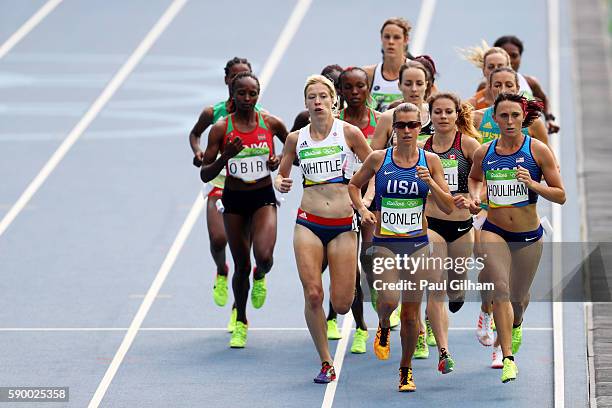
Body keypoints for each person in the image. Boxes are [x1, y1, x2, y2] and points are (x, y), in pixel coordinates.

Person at [349, 102, 454, 392]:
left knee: (410, 314)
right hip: (385, 243)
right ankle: (383, 322)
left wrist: (431, 182)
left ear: (421, 127)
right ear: (393, 128)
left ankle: (405, 370)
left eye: (412, 125)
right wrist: (362, 209)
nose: (407, 131)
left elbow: (446, 207)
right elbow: (354, 186)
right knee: (389, 301)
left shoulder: (430, 161)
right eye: (401, 125)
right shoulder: (378, 159)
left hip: (418, 245)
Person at [275, 75, 372, 383]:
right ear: (305, 103)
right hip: (309, 222)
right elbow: (281, 174)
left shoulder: (349, 133)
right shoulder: (296, 138)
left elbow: (376, 167)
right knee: (314, 294)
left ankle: (347, 314)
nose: (317, 101)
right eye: (311, 97)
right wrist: (281, 182)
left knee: (341, 303)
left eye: (322, 96)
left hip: (344, 224)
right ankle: (325, 361)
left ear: (333, 101)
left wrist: (365, 203)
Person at [467, 93, 565, 382]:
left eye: (515, 116)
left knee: (518, 299)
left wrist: (532, 183)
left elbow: (560, 195)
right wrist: (475, 198)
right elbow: (474, 178)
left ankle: (516, 323)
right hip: (494, 230)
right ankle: (506, 355)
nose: (509, 121)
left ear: (524, 118)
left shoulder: (538, 151)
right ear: (494, 119)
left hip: (528, 235)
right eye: (504, 116)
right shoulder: (485, 152)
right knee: (500, 289)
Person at [200, 72, 288, 348]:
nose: (247, 99)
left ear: (259, 95)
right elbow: (205, 173)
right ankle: (241, 320)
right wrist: (225, 156)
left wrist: (277, 161)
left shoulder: (271, 123)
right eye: (242, 93)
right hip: (234, 201)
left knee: (264, 259)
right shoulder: (221, 128)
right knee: (241, 265)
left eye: (252, 93)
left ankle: (260, 276)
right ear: (233, 95)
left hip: (263, 198)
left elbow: (293, 151)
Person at [188, 57, 259, 331]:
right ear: (227, 81)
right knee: (218, 240)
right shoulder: (213, 113)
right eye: (234, 78)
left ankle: (237, 309)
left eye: (246, 77)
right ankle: (220, 270)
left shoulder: (260, 115)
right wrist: (198, 152)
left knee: (245, 254)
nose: (239, 84)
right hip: (219, 184)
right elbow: (194, 135)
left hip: (249, 188)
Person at [421, 93, 481, 371]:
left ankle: (454, 297)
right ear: (430, 116)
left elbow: (481, 181)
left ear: (457, 115)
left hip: (461, 225)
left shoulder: (469, 145)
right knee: (435, 287)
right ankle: (444, 352)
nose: (443, 117)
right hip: (432, 224)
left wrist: (472, 200)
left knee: (454, 289)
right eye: (438, 112)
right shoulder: (422, 149)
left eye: (448, 112)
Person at [325, 67, 381, 353]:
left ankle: (382, 306)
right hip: (341, 202)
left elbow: (380, 164)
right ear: (341, 92)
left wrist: (367, 199)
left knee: (369, 258)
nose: (355, 92)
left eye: (361, 86)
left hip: (371, 201)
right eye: (349, 88)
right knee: (346, 269)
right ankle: (360, 327)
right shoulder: (334, 125)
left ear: (368, 88)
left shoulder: (380, 122)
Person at [493, 35, 560, 133]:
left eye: (514, 56)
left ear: (520, 58)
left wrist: (549, 118)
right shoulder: (486, 87)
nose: (510, 61)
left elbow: (543, 99)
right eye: (506, 56)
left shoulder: (530, 83)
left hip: (529, 140)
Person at [363, 17, 414, 111]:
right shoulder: (368, 74)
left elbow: (433, 103)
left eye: (396, 37)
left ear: (406, 40)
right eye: (387, 37)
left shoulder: (417, 72)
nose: (391, 42)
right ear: (381, 38)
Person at [290, 64, 343, 132]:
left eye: (338, 86)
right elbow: (289, 141)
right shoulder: (305, 118)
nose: (334, 90)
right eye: (329, 86)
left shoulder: (351, 120)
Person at [460, 46, 511, 110]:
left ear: (509, 70)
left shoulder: (520, 101)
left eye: (500, 67)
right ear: (483, 71)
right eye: (491, 67)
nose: (495, 71)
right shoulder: (472, 105)